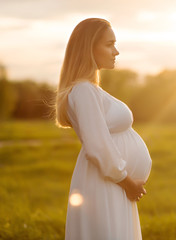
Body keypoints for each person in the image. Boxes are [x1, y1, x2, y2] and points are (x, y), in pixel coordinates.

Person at [54, 18, 152, 240]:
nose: (116, 51)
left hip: (112, 184)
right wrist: (128, 183)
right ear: (89, 48)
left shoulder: (89, 90)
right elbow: (97, 146)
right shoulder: (83, 91)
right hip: (108, 184)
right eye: (109, 44)